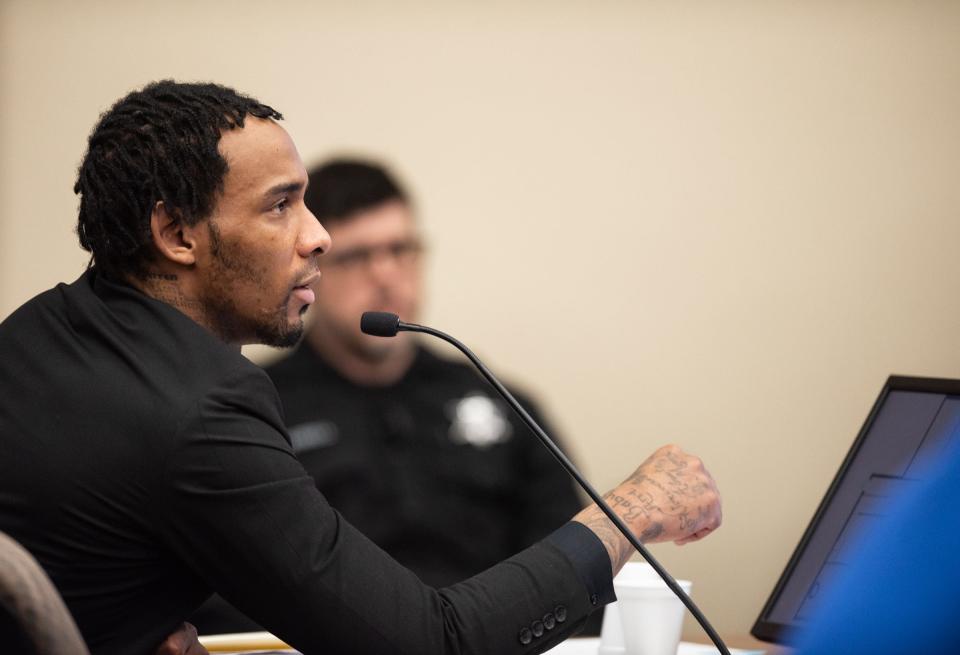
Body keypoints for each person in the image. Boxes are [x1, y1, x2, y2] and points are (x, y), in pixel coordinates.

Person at [0, 80, 722, 655]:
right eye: (281, 205)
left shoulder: (37, 333)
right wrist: (633, 510)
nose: (318, 237)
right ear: (176, 233)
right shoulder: (204, 410)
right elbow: (429, 644)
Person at [190, 159, 591, 633]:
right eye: (357, 257)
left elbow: (573, 567)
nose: (386, 275)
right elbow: (221, 589)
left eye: (401, 249)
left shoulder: (499, 401)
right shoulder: (255, 409)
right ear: (311, 268)